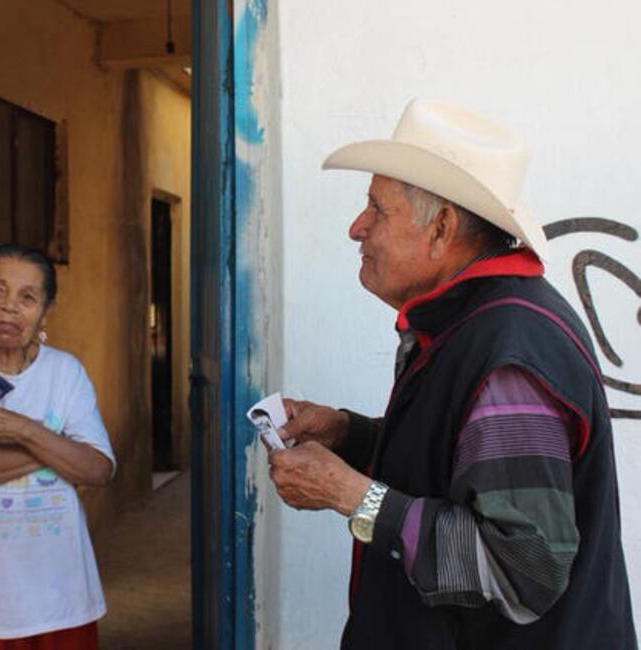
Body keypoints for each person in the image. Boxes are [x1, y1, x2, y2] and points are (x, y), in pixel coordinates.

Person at [268, 98, 636, 649]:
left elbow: (522, 571)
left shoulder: (510, 356)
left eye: (377, 208)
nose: (356, 227)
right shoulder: (469, 324)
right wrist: (348, 435)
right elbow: (455, 467)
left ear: (441, 227)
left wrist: (352, 496)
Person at [0, 243, 115, 650]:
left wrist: (19, 428)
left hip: (58, 596)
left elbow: (98, 468)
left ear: (45, 312)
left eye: (27, 297)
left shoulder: (64, 372)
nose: (9, 308)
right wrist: (55, 448)